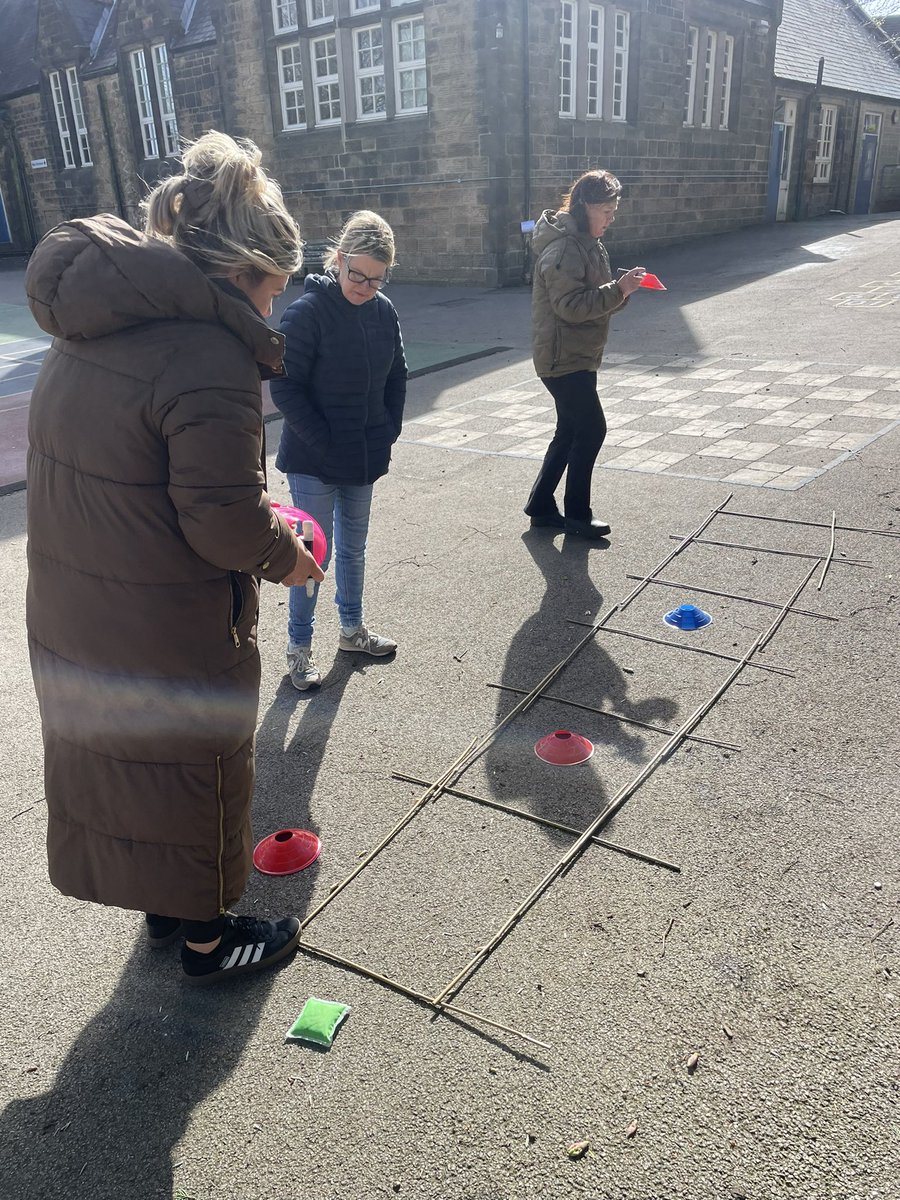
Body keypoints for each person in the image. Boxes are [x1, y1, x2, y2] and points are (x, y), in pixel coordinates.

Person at [25, 131, 324, 985]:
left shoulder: (98, 320)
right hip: (166, 611)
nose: (274, 308)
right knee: (198, 766)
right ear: (242, 271)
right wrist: (291, 559)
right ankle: (207, 942)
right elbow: (223, 522)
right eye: (273, 288)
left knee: (139, 765)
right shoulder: (206, 353)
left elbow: (150, 474)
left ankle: (166, 906)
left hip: (83, 602)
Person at [270, 210, 408, 691]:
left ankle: (352, 630)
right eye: (358, 275)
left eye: (376, 279)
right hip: (314, 460)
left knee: (353, 549)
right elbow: (285, 389)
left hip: (363, 454)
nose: (365, 287)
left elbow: (397, 376)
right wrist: (324, 441)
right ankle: (299, 648)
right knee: (312, 555)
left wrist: (388, 428)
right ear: (339, 258)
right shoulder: (307, 312)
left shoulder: (383, 311)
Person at [526, 169, 647, 540]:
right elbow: (571, 307)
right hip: (562, 358)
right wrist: (618, 290)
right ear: (584, 207)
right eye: (606, 212)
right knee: (592, 429)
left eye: (614, 212)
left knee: (569, 430)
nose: (611, 220)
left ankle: (541, 506)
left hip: (578, 354)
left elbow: (597, 298)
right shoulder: (564, 249)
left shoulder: (589, 243)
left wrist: (622, 290)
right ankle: (578, 515)